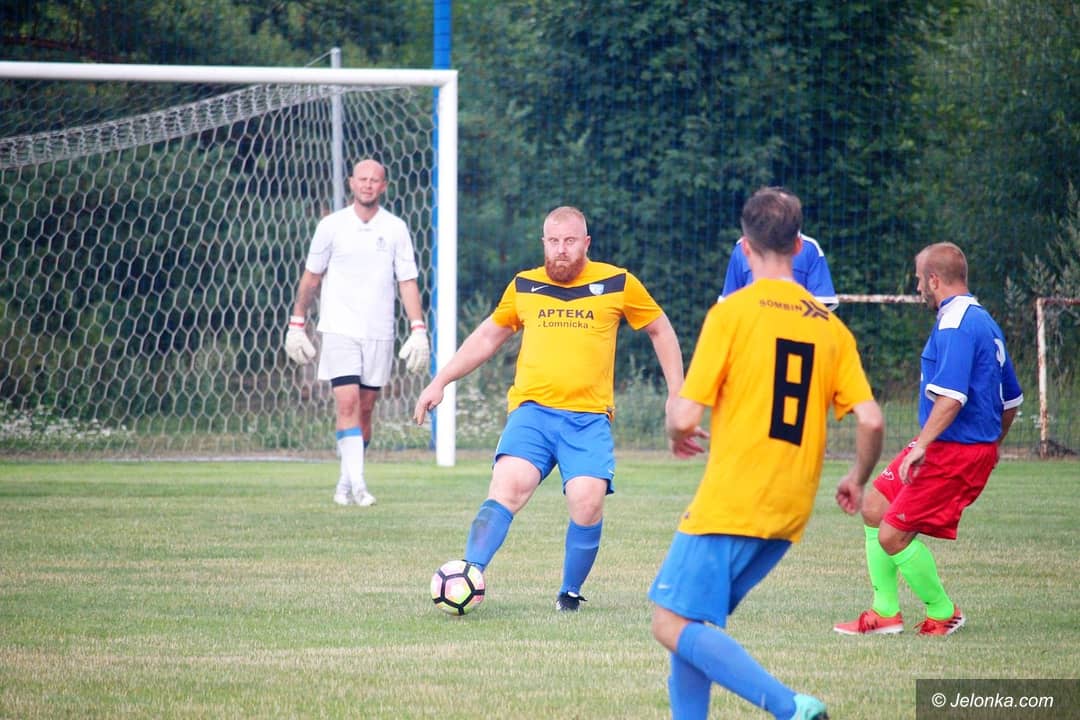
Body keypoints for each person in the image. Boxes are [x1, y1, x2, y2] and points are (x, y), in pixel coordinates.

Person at [651, 187, 885, 720]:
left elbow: (684, 418)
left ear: (745, 247)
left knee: (668, 622)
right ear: (799, 246)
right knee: (691, 621)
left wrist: (673, 430)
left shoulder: (731, 314)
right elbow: (871, 419)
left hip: (734, 498)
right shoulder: (831, 328)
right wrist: (857, 477)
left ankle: (791, 707)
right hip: (790, 509)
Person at [413, 205, 685, 611]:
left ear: (586, 243)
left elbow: (659, 328)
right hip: (533, 414)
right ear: (543, 243)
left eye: (570, 241)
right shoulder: (525, 285)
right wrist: (440, 381)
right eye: (553, 241)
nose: (561, 249)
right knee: (508, 486)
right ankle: (468, 576)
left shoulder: (617, 282)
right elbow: (488, 337)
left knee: (587, 500)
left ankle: (569, 594)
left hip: (588, 419)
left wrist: (676, 393)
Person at [833, 242, 1023, 637]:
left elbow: (952, 398)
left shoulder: (956, 324)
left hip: (953, 448)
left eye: (920, 280)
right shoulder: (982, 320)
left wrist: (926, 446)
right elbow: (1011, 401)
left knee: (892, 535)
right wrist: (994, 444)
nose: (918, 287)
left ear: (934, 280)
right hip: (947, 443)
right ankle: (885, 613)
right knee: (874, 506)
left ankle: (943, 611)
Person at [285, 158, 430, 507]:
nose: (367, 184)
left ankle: (346, 480)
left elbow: (407, 281)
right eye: (362, 179)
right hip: (339, 328)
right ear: (351, 183)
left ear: (384, 186)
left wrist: (418, 330)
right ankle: (360, 486)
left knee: (365, 409)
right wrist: (296, 323)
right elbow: (311, 277)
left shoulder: (395, 228)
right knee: (347, 402)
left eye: (374, 180)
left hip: (379, 331)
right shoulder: (331, 226)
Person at [720, 218, 838, 310]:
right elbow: (729, 303)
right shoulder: (740, 249)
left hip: (796, 328)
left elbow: (821, 304)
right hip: (753, 328)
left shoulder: (810, 248)